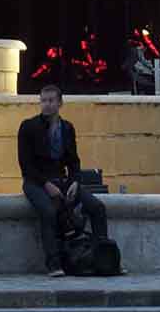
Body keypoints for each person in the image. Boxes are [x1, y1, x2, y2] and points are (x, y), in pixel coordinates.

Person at [18, 84, 109, 277]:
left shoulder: (67, 128)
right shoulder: (28, 126)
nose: (47, 105)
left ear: (60, 103)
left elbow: (74, 161)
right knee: (49, 212)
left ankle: (103, 258)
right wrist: (46, 184)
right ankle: (54, 264)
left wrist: (75, 182)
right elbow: (26, 165)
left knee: (97, 207)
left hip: (63, 181)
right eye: (43, 100)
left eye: (51, 101)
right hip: (36, 182)